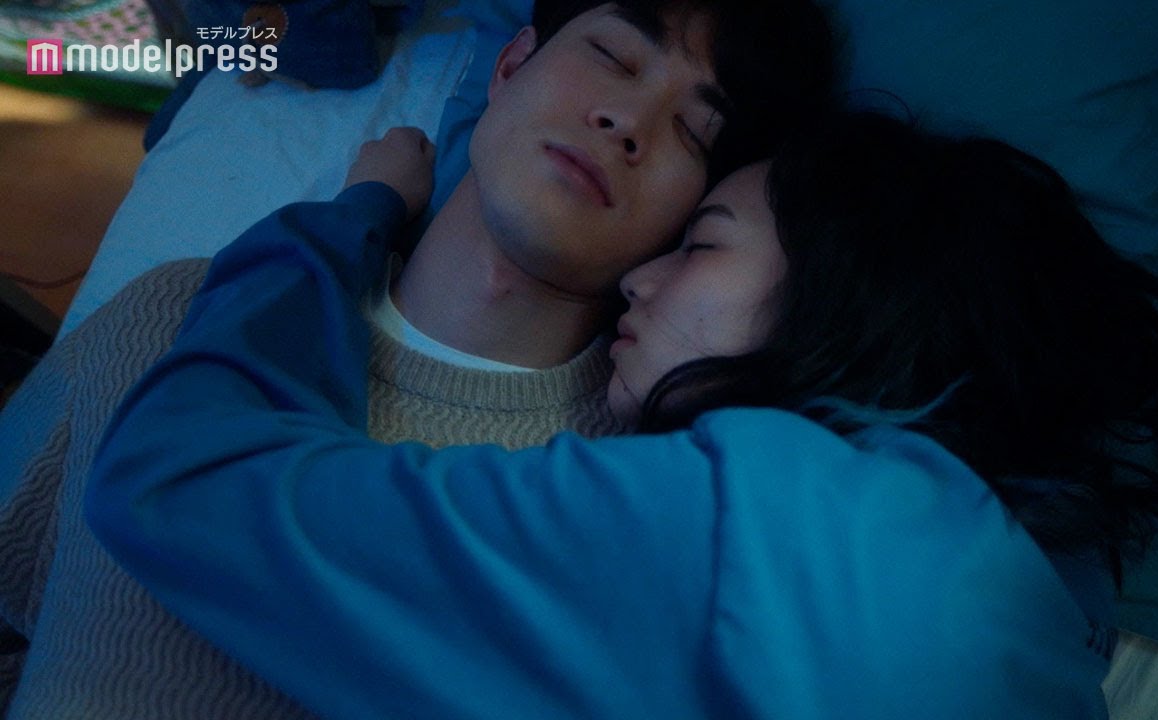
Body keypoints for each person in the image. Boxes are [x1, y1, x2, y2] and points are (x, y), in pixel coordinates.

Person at [85, 110, 1158, 718]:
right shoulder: (1033, 622)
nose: (639, 278)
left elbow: (178, 479)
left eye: (703, 246)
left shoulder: (757, 515)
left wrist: (348, 219)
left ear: (846, 294)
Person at [0, 1, 836, 716]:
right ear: (510, 64)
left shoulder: (636, 505)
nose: (628, 122)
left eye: (693, 131)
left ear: (698, 216)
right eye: (613, 57)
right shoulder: (168, 318)